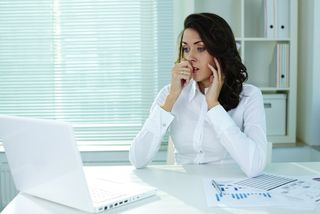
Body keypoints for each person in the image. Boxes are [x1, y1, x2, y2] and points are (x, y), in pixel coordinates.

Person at [129, 13, 267, 177]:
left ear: (220, 52)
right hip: (185, 190)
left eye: (200, 48)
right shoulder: (170, 93)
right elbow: (137, 159)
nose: (190, 57)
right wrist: (171, 98)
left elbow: (255, 166)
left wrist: (213, 106)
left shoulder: (250, 96)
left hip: (231, 189)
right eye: (186, 49)